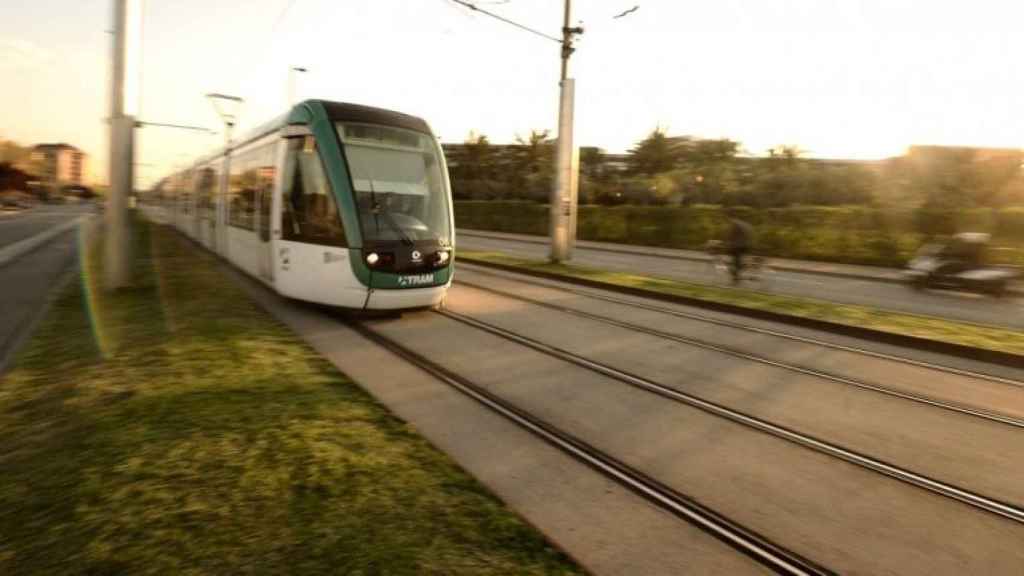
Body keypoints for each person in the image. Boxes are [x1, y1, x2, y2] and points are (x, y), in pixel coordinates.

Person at [725, 210, 754, 284]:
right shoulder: (744, 223)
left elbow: (731, 235)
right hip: (747, 245)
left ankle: (736, 279)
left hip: (739, 246)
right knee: (737, 261)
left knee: (733, 261)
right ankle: (742, 267)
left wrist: (727, 243)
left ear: (730, 217)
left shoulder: (734, 223)